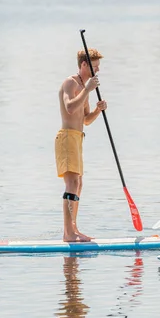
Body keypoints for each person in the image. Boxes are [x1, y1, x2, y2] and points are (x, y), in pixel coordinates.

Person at [55, 49, 107, 242]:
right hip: (67, 137)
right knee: (72, 183)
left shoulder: (84, 86)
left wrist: (97, 110)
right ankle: (68, 233)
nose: (97, 71)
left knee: (79, 184)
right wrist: (87, 90)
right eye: (94, 67)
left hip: (78, 138)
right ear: (84, 65)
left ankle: (74, 230)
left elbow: (85, 120)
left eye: (98, 68)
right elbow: (69, 107)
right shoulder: (70, 82)